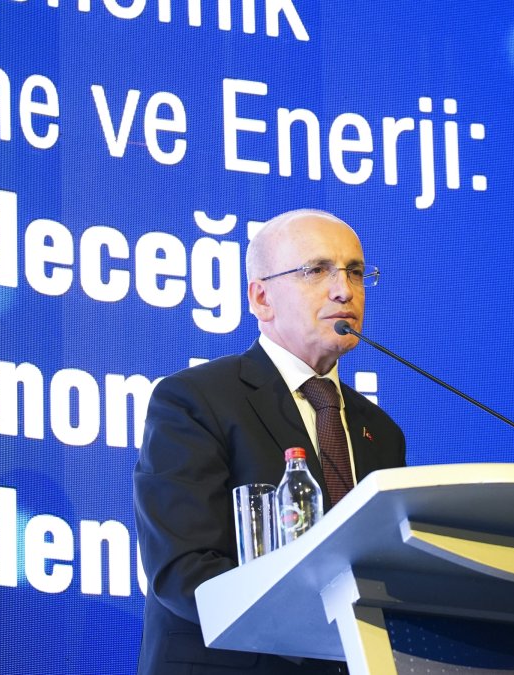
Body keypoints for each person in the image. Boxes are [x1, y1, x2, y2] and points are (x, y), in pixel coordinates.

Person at [133, 209, 407, 674]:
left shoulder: (380, 432)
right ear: (261, 298)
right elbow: (183, 571)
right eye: (317, 270)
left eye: (356, 272)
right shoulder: (195, 401)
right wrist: (321, 629)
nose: (344, 289)